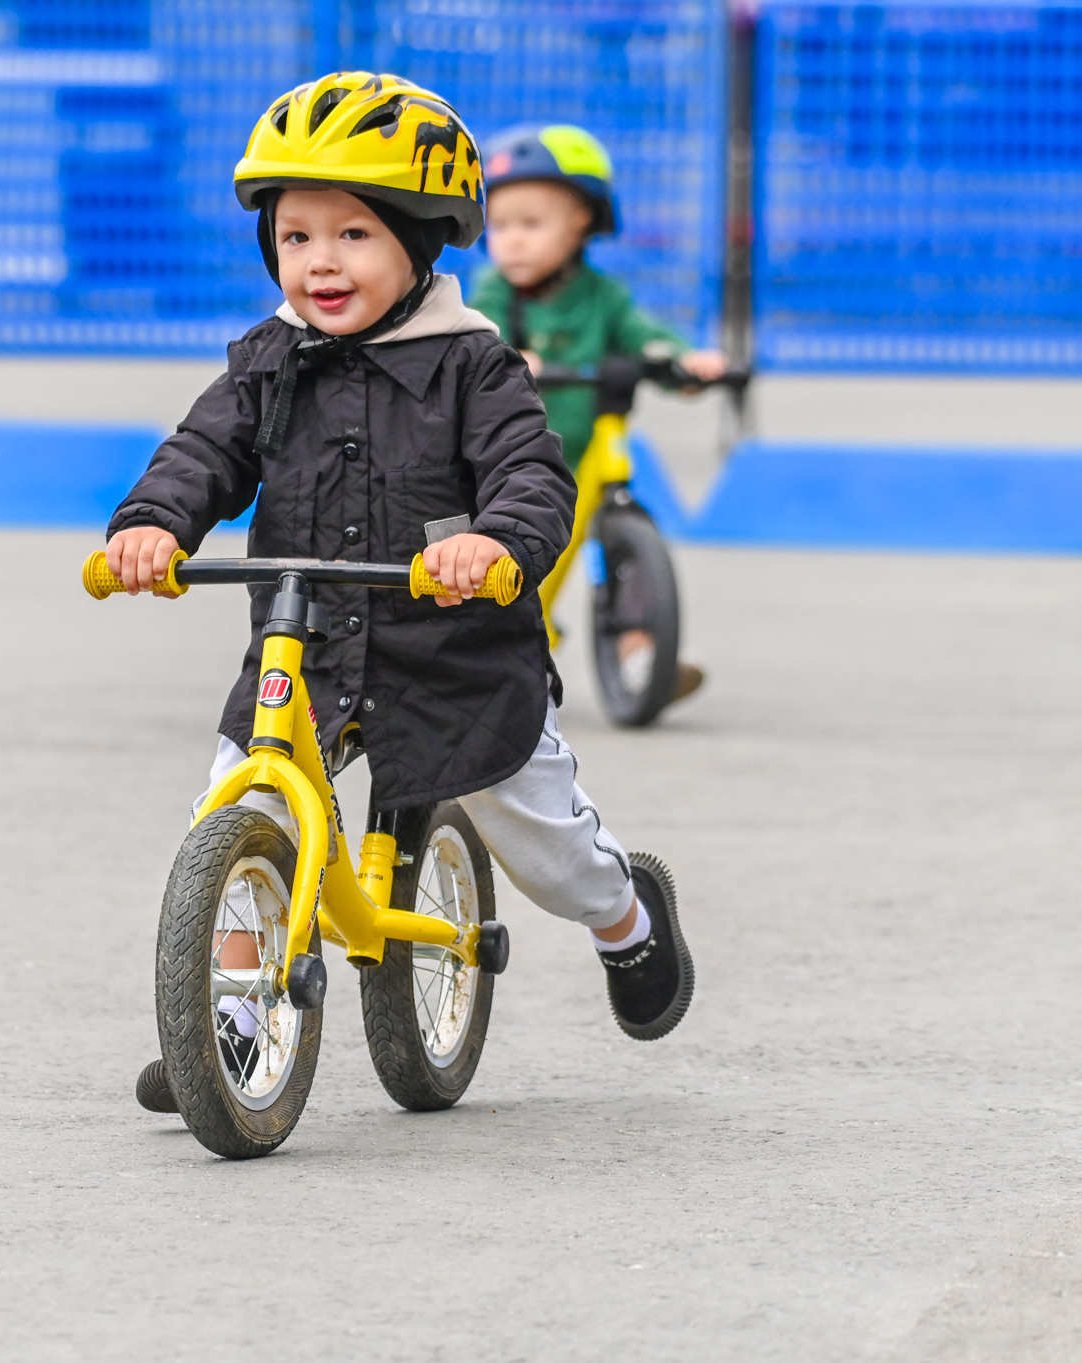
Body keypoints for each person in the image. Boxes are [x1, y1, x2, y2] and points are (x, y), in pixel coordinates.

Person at [103, 74, 695, 1089]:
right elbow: (202, 451)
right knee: (232, 817)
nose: (318, 263)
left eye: (352, 236)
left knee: (544, 846)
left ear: (420, 241)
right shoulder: (265, 363)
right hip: (309, 648)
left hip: (454, 654)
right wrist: (154, 522)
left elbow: (528, 471)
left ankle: (627, 915)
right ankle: (230, 1029)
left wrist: (498, 542)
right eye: (295, 238)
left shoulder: (473, 364)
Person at [469, 124, 725, 703]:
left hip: (588, 454)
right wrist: (510, 357)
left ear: (580, 221)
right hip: (507, 464)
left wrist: (685, 364)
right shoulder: (492, 295)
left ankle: (640, 653)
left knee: (627, 547)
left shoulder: (603, 296)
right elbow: (479, 341)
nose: (512, 241)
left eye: (531, 225)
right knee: (501, 564)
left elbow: (644, 336)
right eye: (501, 225)